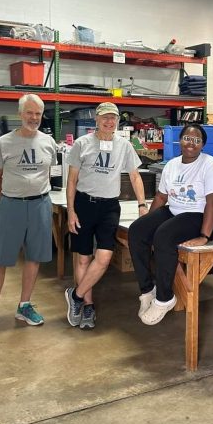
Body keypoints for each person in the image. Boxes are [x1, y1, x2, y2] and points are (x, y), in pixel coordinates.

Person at [128, 124, 213, 325]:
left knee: (164, 236)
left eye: (197, 140)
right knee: (137, 230)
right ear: (179, 141)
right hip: (176, 211)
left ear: (203, 145)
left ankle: (165, 298)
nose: (192, 144)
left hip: (204, 216)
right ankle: (147, 290)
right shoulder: (171, 165)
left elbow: (212, 202)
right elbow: (162, 196)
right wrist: (148, 222)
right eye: (187, 139)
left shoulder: (210, 164)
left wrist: (204, 236)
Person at [0, 94, 57, 334]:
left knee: (34, 257)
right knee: (1, 259)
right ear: (20, 114)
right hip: (11, 205)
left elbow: (48, 172)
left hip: (41, 204)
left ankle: (24, 305)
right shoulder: (4, 142)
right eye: (29, 113)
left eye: (38, 114)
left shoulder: (49, 142)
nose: (34, 118)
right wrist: (11, 199)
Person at [64, 102, 148, 330]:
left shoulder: (124, 146)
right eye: (105, 118)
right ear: (96, 120)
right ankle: (88, 306)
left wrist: (142, 205)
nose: (109, 122)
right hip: (84, 204)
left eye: (114, 118)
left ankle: (76, 295)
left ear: (118, 121)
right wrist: (71, 211)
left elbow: (135, 176)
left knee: (103, 257)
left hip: (110, 206)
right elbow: (71, 181)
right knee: (83, 258)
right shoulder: (82, 144)